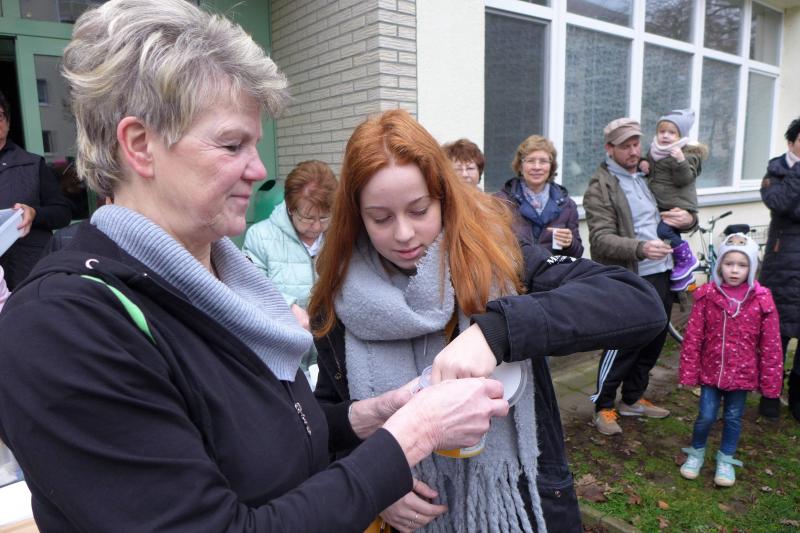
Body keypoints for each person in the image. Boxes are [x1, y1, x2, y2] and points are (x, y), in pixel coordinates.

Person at [0, 2, 509, 530]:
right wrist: (413, 435)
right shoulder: (62, 328)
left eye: (255, 143)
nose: (259, 168)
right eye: (232, 144)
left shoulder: (229, 285)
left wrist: (364, 418)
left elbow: (263, 441)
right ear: (139, 145)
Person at [309, 109, 668, 532]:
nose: (404, 234)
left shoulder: (502, 261)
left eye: (419, 210)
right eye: (381, 218)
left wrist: (497, 331)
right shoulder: (338, 301)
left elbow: (638, 302)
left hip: (516, 508)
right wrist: (372, 480)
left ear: (444, 197)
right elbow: (322, 425)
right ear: (356, 217)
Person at [583, 117, 697, 436]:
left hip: (663, 272)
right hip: (631, 276)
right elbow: (601, 239)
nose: (634, 151)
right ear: (609, 149)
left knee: (654, 340)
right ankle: (603, 406)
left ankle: (632, 398)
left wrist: (689, 219)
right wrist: (641, 248)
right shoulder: (600, 187)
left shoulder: (649, 173)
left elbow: (681, 199)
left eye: (636, 144)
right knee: (624, 343)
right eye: (626, 146)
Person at [678, 233, 783, 486]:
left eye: (742, 265)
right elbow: (693, 337)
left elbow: (771, 344)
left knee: (734, 417)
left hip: (742, 375)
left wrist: (771, 384)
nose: (734, 270)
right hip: (711, 372)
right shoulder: (707, 296)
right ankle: (696, 452)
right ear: (719, 265)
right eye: (729, 263)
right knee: (706, 415)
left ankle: (725, 459)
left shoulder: (762, 300)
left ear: (752, 267)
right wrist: (689, 371)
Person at [243, 160, 337, 381]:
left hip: (329, 361)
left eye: (324, 217)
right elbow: (247, 288)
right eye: (308, 218)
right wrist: (287, 306)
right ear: (290, 208)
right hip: (280, 359)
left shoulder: (337, 237)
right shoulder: (260, 237)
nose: (316, 226)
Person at [0, 91, 71, 289]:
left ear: (8, 122)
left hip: (27, 269)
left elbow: (62, 213)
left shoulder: (32, 164)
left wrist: (34, 213)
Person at [759, 116, 800, 423]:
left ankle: (797, 397)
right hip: (783, 265)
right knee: (776, 336)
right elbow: (782, 203)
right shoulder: (776, 171)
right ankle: (769, 396)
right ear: (791, 142)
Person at [638, 109, 706, 291]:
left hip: (678, 205)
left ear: (680, 136)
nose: (665, 136)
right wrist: (642, 162)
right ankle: (682, 277)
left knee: (664, 231)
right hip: (663, 203)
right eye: (662, 131)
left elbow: (685, 179)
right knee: (666, 237)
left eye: (672, 132)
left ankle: (686, 258)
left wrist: (680, 161)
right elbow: (650, 166)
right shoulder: (655, 151)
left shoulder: (687, 154)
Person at [495, 135, 583, 257]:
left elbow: (577, 254)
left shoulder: (567, 205)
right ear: (520, 166)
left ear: (551, 167)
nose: (537, 167)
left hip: (554, 269)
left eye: (543, 161)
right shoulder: (501, 202)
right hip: (517, 268)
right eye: (530, 161)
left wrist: (570, 243)